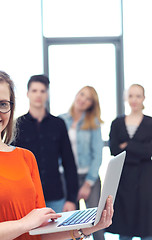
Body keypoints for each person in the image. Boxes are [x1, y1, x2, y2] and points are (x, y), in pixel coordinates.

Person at [0, 68, 114, 240]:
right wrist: (24, 224)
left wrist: (87, 228)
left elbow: (39, 231)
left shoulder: (26, 157)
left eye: (2, 104)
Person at [13, 74, 78, 213]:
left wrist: (71, 199)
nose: (38, 95)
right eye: (34, 91)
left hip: (55, 196)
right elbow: (12, 164)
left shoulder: (58, 124)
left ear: (47, 94)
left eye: (42, 91)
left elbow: (69, 162)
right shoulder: (18, 125)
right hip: (27, 196)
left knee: (59, 234)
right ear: (27, 94)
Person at [106, 84, 152, 240]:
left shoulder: (150, 123)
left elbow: (149, 151)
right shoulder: (117, 123)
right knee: (124, 224)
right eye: (131, 95)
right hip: (123, 177)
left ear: (144, 98)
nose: (134, 100)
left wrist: (127, 146)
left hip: (145, 179)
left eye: (138, 96)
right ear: (126, 98)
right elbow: (114, 149)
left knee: (146, 223)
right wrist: (139, 149)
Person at [59, 86, 105, 240]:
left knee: (97, 223)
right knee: (71, 225)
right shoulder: (61, 120)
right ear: (77, 94)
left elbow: (97, 154)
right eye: (82, 94)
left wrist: (88, 183)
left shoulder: (94, 123)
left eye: (88, 98)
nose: (83, 99)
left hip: (88, 177)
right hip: (66, 178)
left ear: (92, 104)